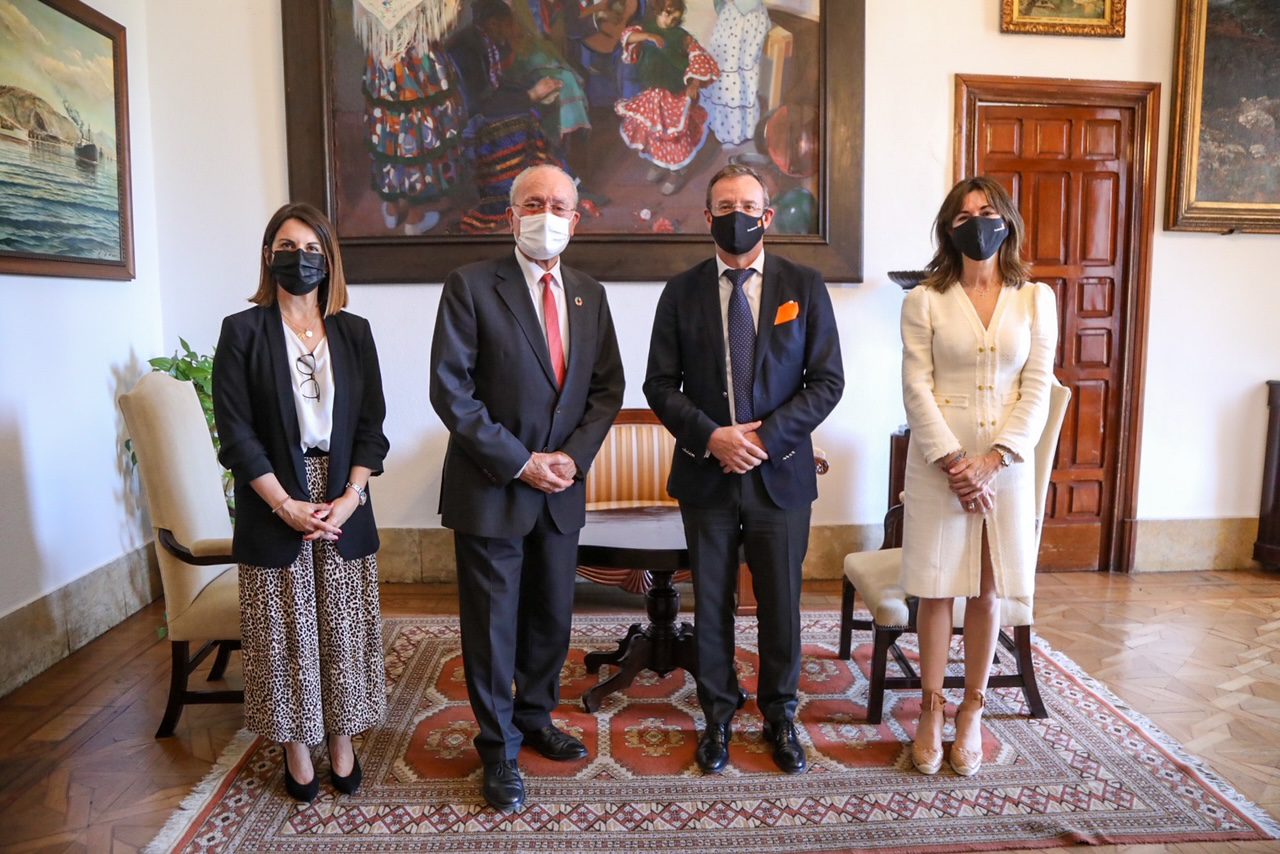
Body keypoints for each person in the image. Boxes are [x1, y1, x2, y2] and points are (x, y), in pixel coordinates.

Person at [429, 164, 625, 812]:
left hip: (560, 489)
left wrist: (571, 458)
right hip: (492, 487)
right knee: (492, 628)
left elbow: (607, 388)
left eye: (559, 205)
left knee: (550, 617)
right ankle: (498, 747)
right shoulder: (470, 286)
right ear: (511, 216)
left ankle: (536, 717)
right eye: (534, 204)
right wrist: (521, 462)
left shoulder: (590, 294)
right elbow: (451, 390)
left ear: (576, 218)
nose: (547, 215)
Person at [643, 163, 844, 775]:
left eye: (749, 206)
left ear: (767, 215)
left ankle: (780, 714)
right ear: (708, 217)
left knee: (781, 604)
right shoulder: (680, 292)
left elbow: (826, 381)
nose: (738, 216)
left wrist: (763, 439)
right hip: (706, 474)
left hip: (779, 473)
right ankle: (718, 716)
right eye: (726, 206)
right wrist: (712, 437)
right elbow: (659, 384)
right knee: (712, 603)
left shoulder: (804, 286)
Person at [212, 202, 390, 802]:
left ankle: (341, 737)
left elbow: (371, 427)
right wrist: (284, 505)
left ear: (329, 259)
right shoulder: (242, 331)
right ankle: (294, 743)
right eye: (287, 247)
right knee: (283, 632)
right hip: (273, 496)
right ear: (269, 256)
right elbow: (237, 435)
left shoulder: (354, 331)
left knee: (340, 628)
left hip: (342, 496)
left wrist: (351, 497)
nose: (300, 258)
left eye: (312, 249)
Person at [899, 176, 1057, 777]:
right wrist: (953, 462)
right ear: (949, 230)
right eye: (963, 216)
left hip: (1005, 466)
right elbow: (916, 386)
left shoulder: (1035, 298)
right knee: (937, 587)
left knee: (987, 590)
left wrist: (993, 461)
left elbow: (1037, 387)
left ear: (1007, 222)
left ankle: (972, 709)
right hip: (939, 461)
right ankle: (930, 709)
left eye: (987, 212)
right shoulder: (925, 299)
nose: (977, 224)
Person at [448, 0, 568, 233]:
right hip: (468, 118)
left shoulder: (484, 39)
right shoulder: (465, 49)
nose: (513, 29)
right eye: (509, 24)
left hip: (481, 105)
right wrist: (531, 95)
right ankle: (513, 194)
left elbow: (495, 83)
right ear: (494, 24)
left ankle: (540, 186)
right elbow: (478, 101)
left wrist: (529, 90)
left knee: (534, 109)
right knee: (526, 119)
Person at [354, 0, 466, 235]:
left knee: (388, 127)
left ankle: (393, 206)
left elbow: (364, 17)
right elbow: (439, 23)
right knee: (416, 132)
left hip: (383, 63)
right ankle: (415, 216)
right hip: (418, 63)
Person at [614, 0, 720, 196]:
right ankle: (659, 163)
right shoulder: (645, 29)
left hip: (674, 93)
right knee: (655, 131)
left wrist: (694, 84)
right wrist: (649, 36)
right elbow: (626, 37)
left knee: (674, 134)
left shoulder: (681, 36)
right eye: (668, 14)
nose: (671, 20)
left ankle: (676, 172)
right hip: (653, 92)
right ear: (657, 10)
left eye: (676, 18)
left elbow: (698, 58)